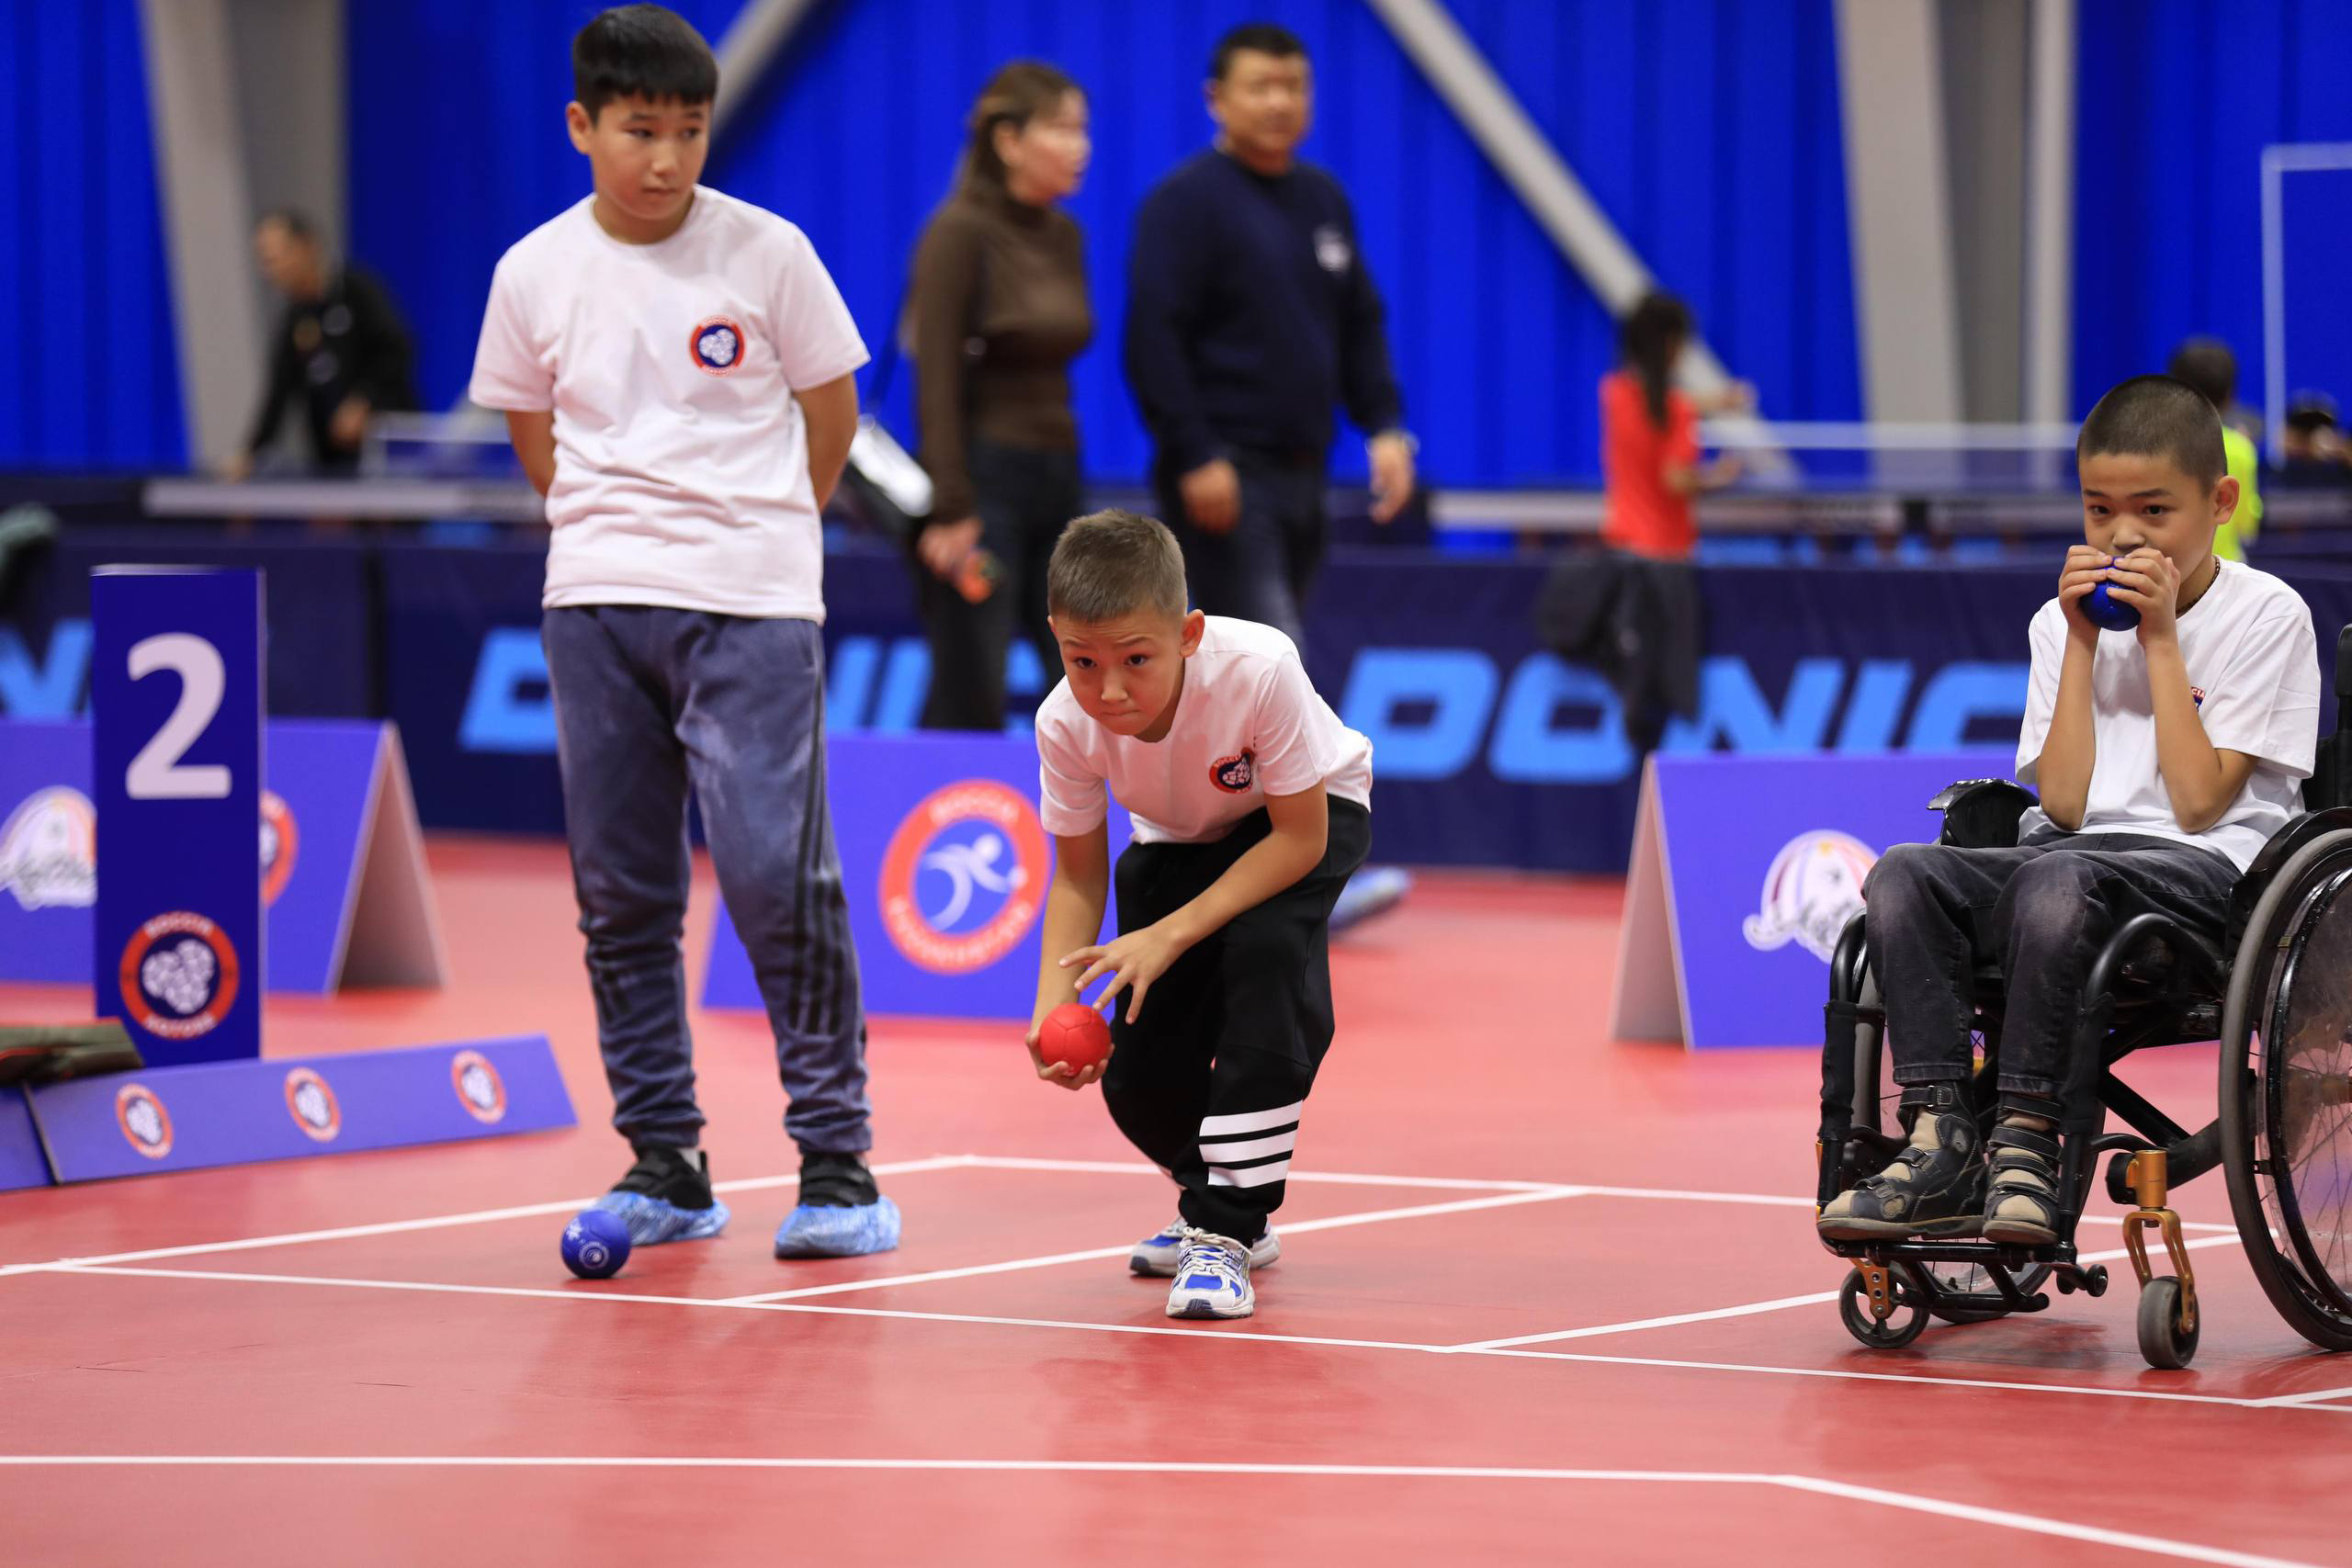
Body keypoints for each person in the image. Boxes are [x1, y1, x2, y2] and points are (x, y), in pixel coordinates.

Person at [467, 4, 899, 1259]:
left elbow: (833, 416)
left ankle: (840, 1163)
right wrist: (610, 537)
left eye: (689, 130)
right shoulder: (532, 271)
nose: (666, 157)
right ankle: (665, 1159)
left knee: (775, 878)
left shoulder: (767, 253)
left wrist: (761, 536)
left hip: (752, 600)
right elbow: (536, 438)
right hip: (594, 600)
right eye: (640, 130)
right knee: (622, 896)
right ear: (582, 126)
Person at [1819, 375, 2318, 1246]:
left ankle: (2029, 1137)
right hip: (2073, 861)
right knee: (1904, 873)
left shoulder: (2269, 614)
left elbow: (2201, 802)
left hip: (2209, 879)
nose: (2123, 534)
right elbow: (2063, 803)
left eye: (2154, 512)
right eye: (2100, 510)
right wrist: (2084, 640)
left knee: (2059, 874)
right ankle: (1939, 1132)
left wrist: (2161, 639)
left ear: (2220, 502)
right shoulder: (2060, 625)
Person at [1024, 510, 1374, 1320]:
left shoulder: (1259, 669)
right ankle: (1216, 1196)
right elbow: (1077, 880)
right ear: (1055, 637)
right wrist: (1051, 1008)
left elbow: (1299, 839)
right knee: (1140, 1063)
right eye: (1082, 661)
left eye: (1135, 659)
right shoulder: (1061, 723)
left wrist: (1169, 932)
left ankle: (1222, 1230)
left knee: (1264, 967)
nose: (1108, 690)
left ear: (1187, 633)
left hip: (1306, 816)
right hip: (1178, 840)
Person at [1124, 21, 1414, 648]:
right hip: (1227, 472)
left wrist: (1385, 425)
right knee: (1275, 655)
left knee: (1248, 669)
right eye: (1260, 87)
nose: (1280, 102)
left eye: (1294, 86)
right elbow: (1153, 338)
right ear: (1216, 99)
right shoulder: (1184, 204)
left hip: (1308, 470)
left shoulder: (1323, 198)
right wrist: (1196, 452)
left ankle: (1216, 751)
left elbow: (1360, 321)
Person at [908, 62, 1093, 730]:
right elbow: (935, 375)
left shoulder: (1066, 235)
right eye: (1063, 130)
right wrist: (953, 505)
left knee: (1080, 673)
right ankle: (926, 824)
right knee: (972, 679)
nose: (1081, 147)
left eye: (1083, 131)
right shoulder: (959, 231)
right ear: (1009, 142)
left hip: (1058, 477)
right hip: (982, 485)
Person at [224, 209, 419, 479]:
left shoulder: (358, 291)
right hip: (333, 465)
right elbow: (278, 393)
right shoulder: (295, 318)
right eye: (265, 261)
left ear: (307, 247)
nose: (270, 270)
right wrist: (250, 453)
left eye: (276, 258)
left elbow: (398, 351)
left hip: (389, 458)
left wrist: (364, 401)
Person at [1600, 291, 1747, 561]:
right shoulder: (1678, 410)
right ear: (1671, 345)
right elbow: (1676, 480)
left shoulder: (1613, 394)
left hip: (1623, 548)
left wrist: (1717, 401)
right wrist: (1720, 476)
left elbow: (1656, 405)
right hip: (1668, 556)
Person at [2166, 338, 2263, 561]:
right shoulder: (2241, 449)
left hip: (2167, 569)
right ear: (2230, 394)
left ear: (2171, 388)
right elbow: (2248, 525)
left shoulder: (2153, 443)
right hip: (2226, 570)